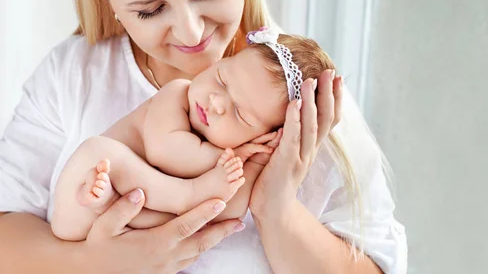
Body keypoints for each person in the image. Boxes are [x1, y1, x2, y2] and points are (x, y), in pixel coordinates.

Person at [0, 0, 407, 273]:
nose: (192, 32)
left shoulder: (302, 100)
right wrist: (91, 264)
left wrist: (275, 209)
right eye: (150, 10)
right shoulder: (74, 75)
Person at [51, 30, 335, 242]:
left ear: (265, 135)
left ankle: (109, 201)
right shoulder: (177, 95)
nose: (216, 101)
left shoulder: (235, 156)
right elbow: (165, 151)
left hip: (126, 239)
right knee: (97, 150)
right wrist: (224, 163)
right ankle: (107, 199)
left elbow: (224, 210)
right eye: (222, 78)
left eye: (240, 114)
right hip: (77, 205)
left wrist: (256, 163)